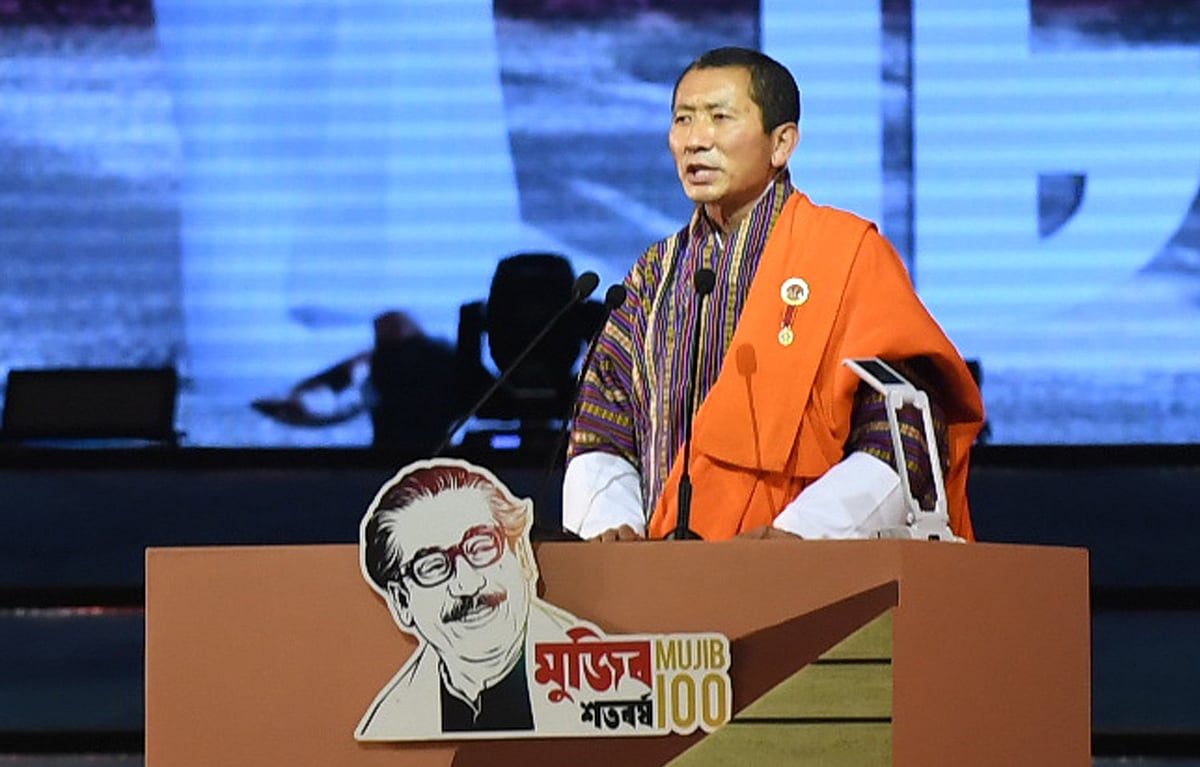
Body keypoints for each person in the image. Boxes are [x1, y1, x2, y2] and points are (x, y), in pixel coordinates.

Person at [562, 47, 984, 543]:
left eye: (720, 118)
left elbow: (902, 430)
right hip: (657, 583)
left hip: (806, 581)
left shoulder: (845, 256)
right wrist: (611, 527)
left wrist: (799, 536)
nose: (696, 141)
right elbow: (602, 422)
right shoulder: (655, 274)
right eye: (683, 120)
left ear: (781, 144)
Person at [357, 459, 576, 739]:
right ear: (402, 602)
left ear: (521, 555)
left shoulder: (606, 679)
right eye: (433, 566)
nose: (467, 583)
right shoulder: (389, 724)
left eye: (482, 547)